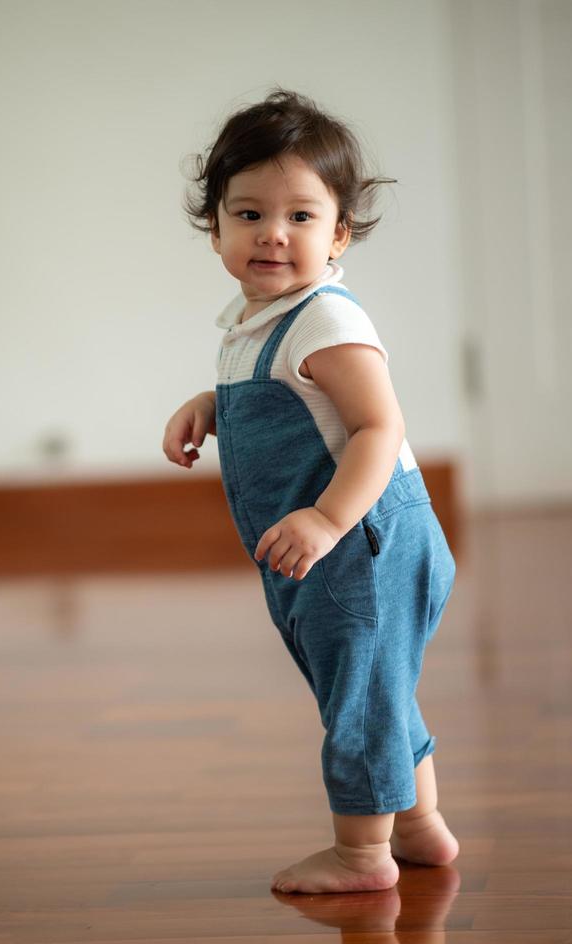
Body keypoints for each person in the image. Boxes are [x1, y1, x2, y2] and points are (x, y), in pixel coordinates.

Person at [162, 90, 459, 894]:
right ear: (215, 226)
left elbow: (376, 428)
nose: (272, 234)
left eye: (300, 216)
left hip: (363, 545)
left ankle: (363, 856)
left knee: (360, 700)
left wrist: (330, 519)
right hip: (333, 551)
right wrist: (210, 407)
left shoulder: (325, 319)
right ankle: (420, 826)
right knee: (376, 685)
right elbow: (296, 404)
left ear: (339, 235)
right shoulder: (256, 319)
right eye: (249, 213)